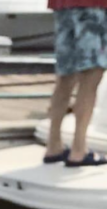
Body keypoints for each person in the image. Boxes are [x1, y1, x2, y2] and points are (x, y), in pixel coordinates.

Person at [44, 0, 107, 167]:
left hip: (63, 5)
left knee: (65, 75)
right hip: (93, 6)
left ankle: (53, 145)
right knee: (91, 74)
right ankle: (79, 149)